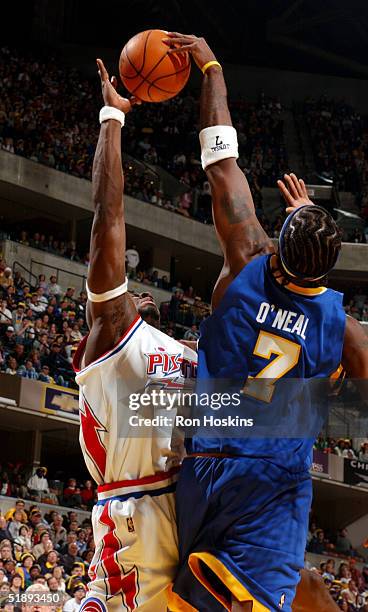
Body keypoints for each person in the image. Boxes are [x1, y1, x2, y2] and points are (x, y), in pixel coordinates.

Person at [165, 33, 368, 612]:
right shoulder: (339, 321)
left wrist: (211, 66)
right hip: (272, 484)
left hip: (204, 467)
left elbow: (219, 154)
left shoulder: (247, 259)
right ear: (329, 271)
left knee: (191, 599)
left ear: (280, 238)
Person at [71, 58, 197, 612]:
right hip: (133, 509)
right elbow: (107, 217)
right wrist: (111, 120)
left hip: (192, 512)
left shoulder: (189, 356)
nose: (133, 292)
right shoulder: (112, 336)